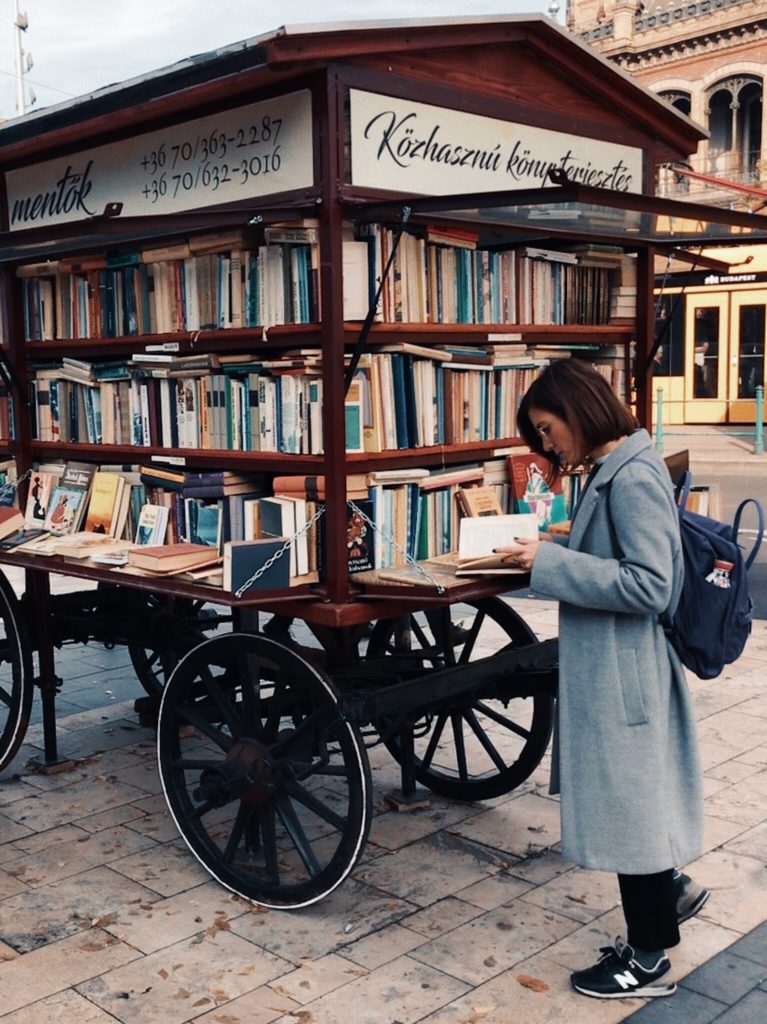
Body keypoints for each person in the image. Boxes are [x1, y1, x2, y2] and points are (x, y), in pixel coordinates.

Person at [498, 359, 708, 1000]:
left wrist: (553, 562)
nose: (546, 445)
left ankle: (647, 963)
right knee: (634, 804)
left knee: (630, 814)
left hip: (625, 672)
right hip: (619, 668)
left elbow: (650, 584)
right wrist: (567, 540)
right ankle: (671, 895)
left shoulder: (631, 478)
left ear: (577, 408)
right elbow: (625, 556)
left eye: (546, 427)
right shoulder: (618, 467)